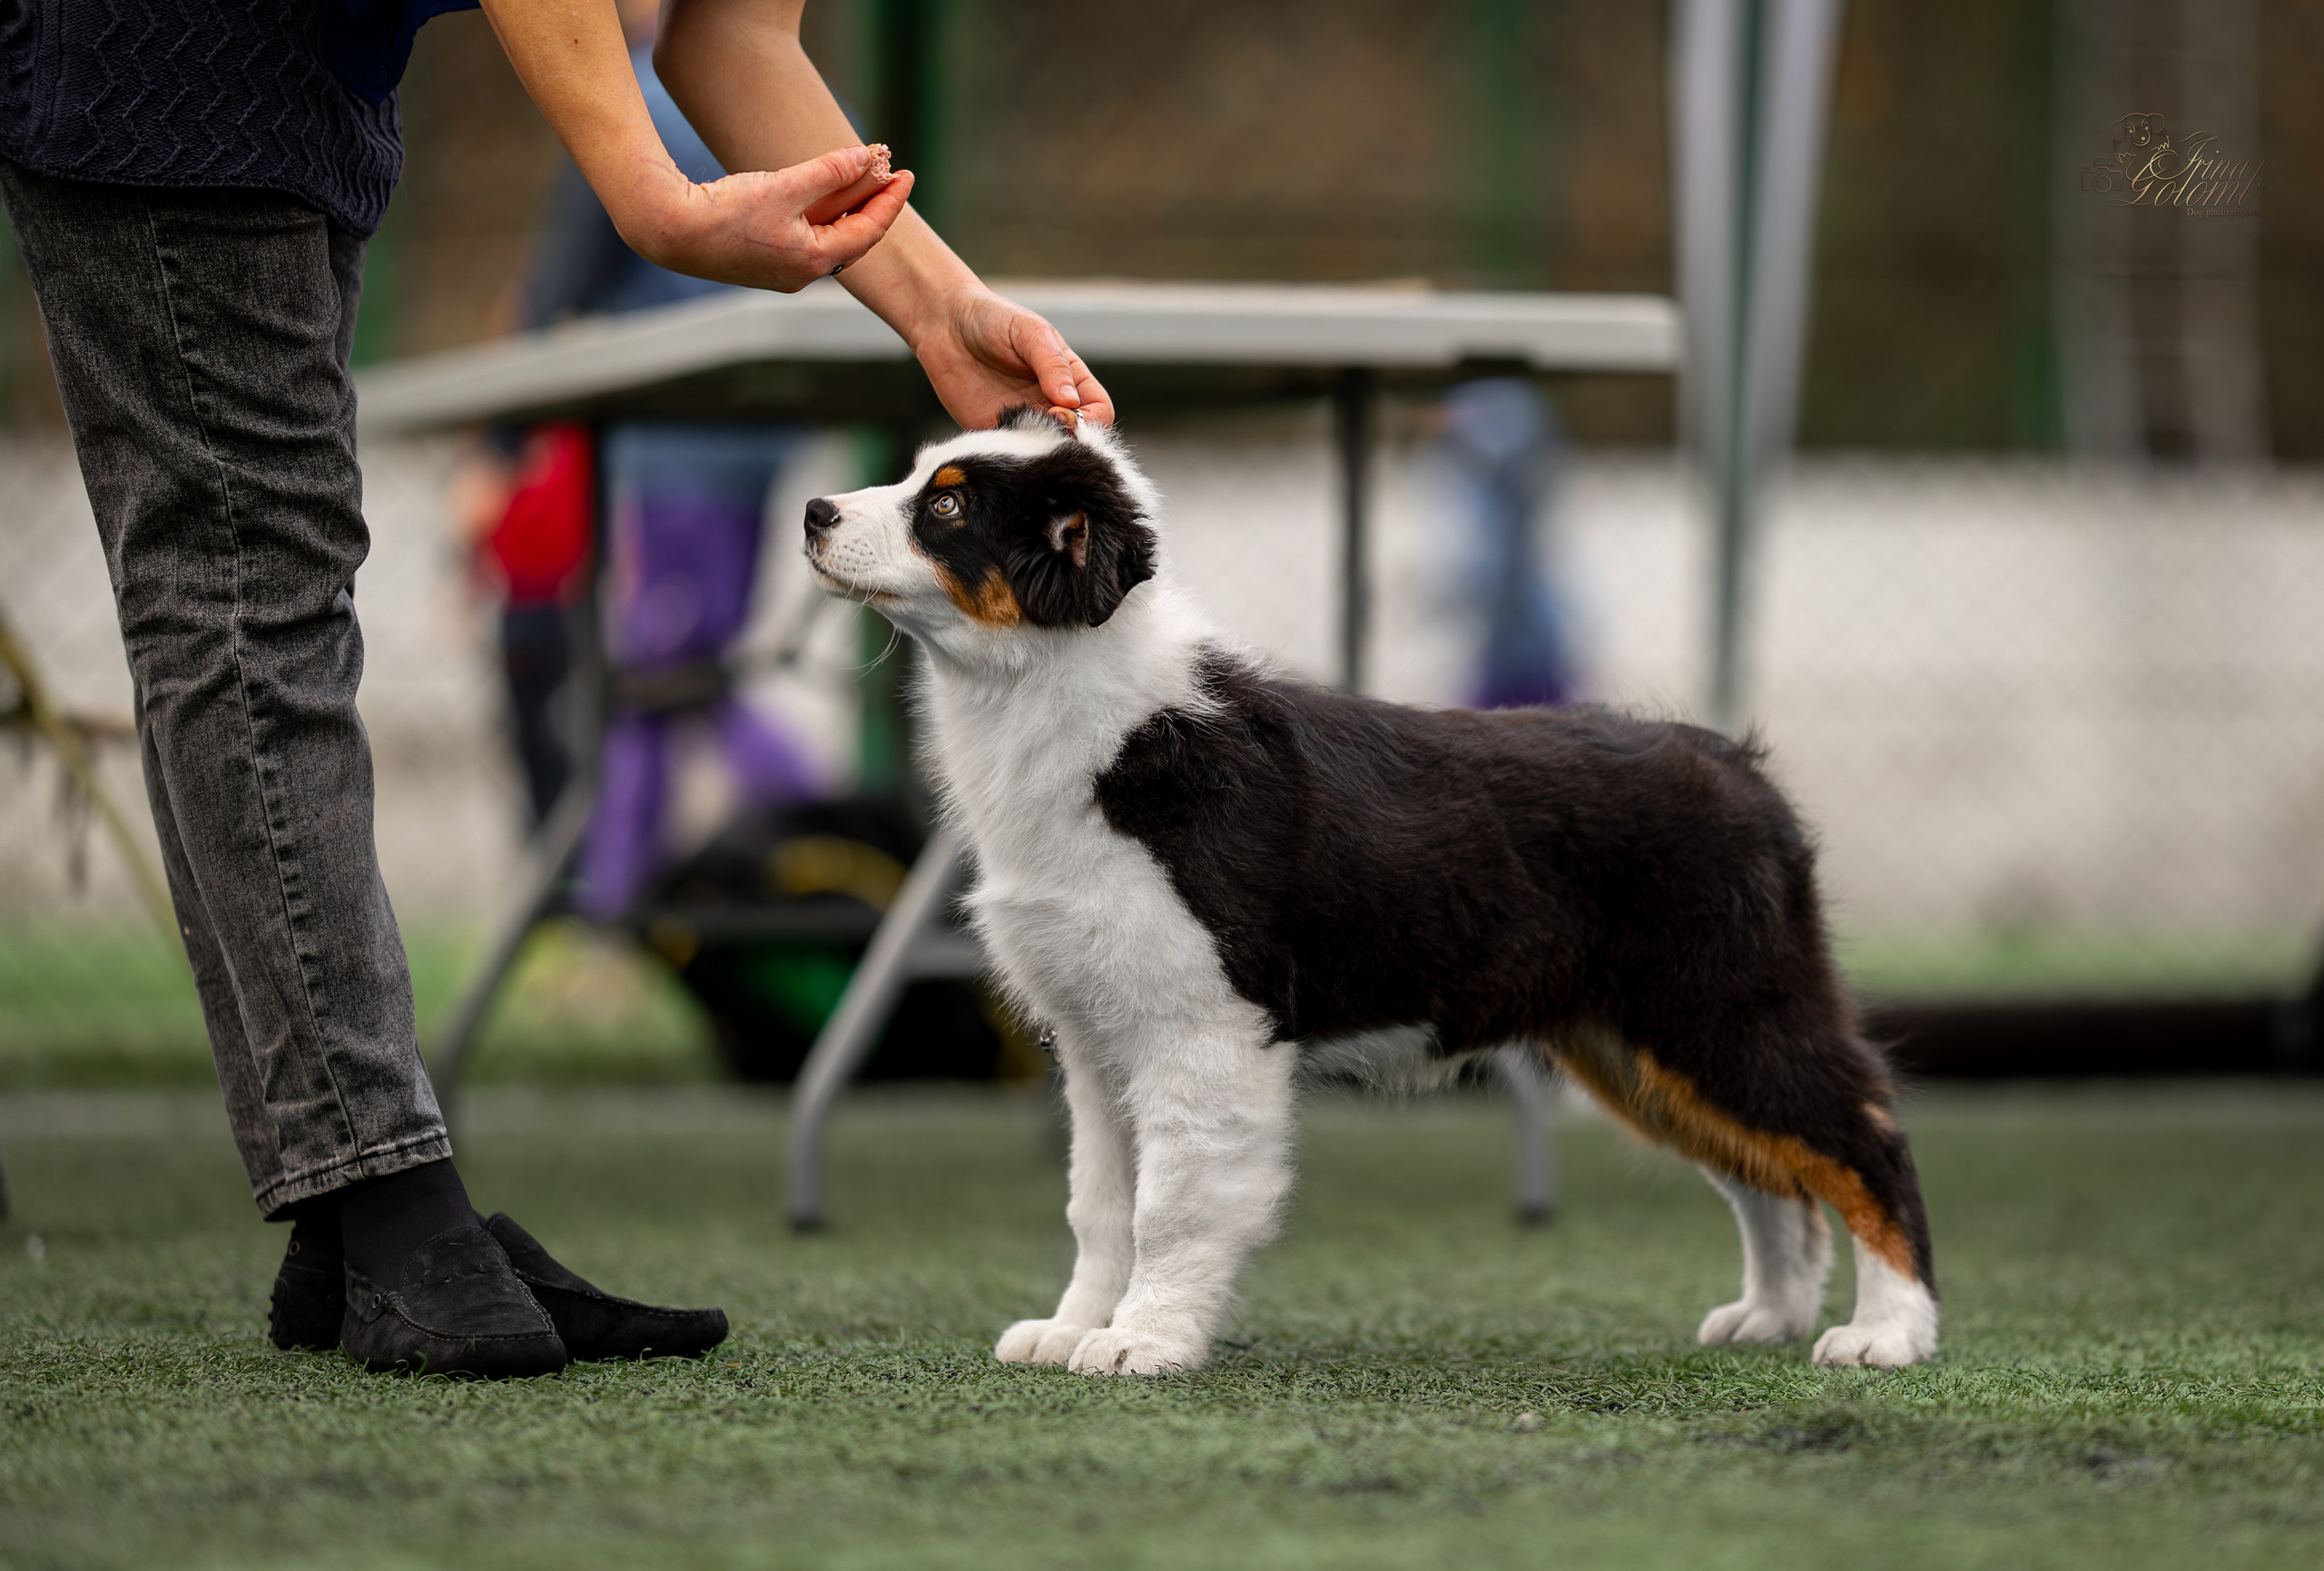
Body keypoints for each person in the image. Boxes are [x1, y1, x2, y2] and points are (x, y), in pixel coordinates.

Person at [0, 0, 1112, 1378]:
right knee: (243, 591)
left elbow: (729, 33)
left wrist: (944, 310)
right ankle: (388, 1204)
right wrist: (654, 196)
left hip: (296, 81)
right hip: (168, 55)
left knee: (255, 586)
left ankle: (364, 1226)